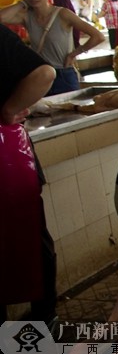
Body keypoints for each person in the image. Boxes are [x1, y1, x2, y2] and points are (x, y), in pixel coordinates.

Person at [0, 25, 58, 325]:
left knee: (32, 238)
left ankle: (43, 318)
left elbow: (44, 73)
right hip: (9, 157)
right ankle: (43, 319)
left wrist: (9, 110)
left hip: (7, 158)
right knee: (34, 239)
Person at [0, 0, 105, 95]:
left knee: (71, 111)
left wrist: (74, 53)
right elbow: (1, 18)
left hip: (64, 74)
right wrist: (22, 4)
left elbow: (98, 36)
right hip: (40, 76)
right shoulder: (27, 17)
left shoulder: (63, 14)